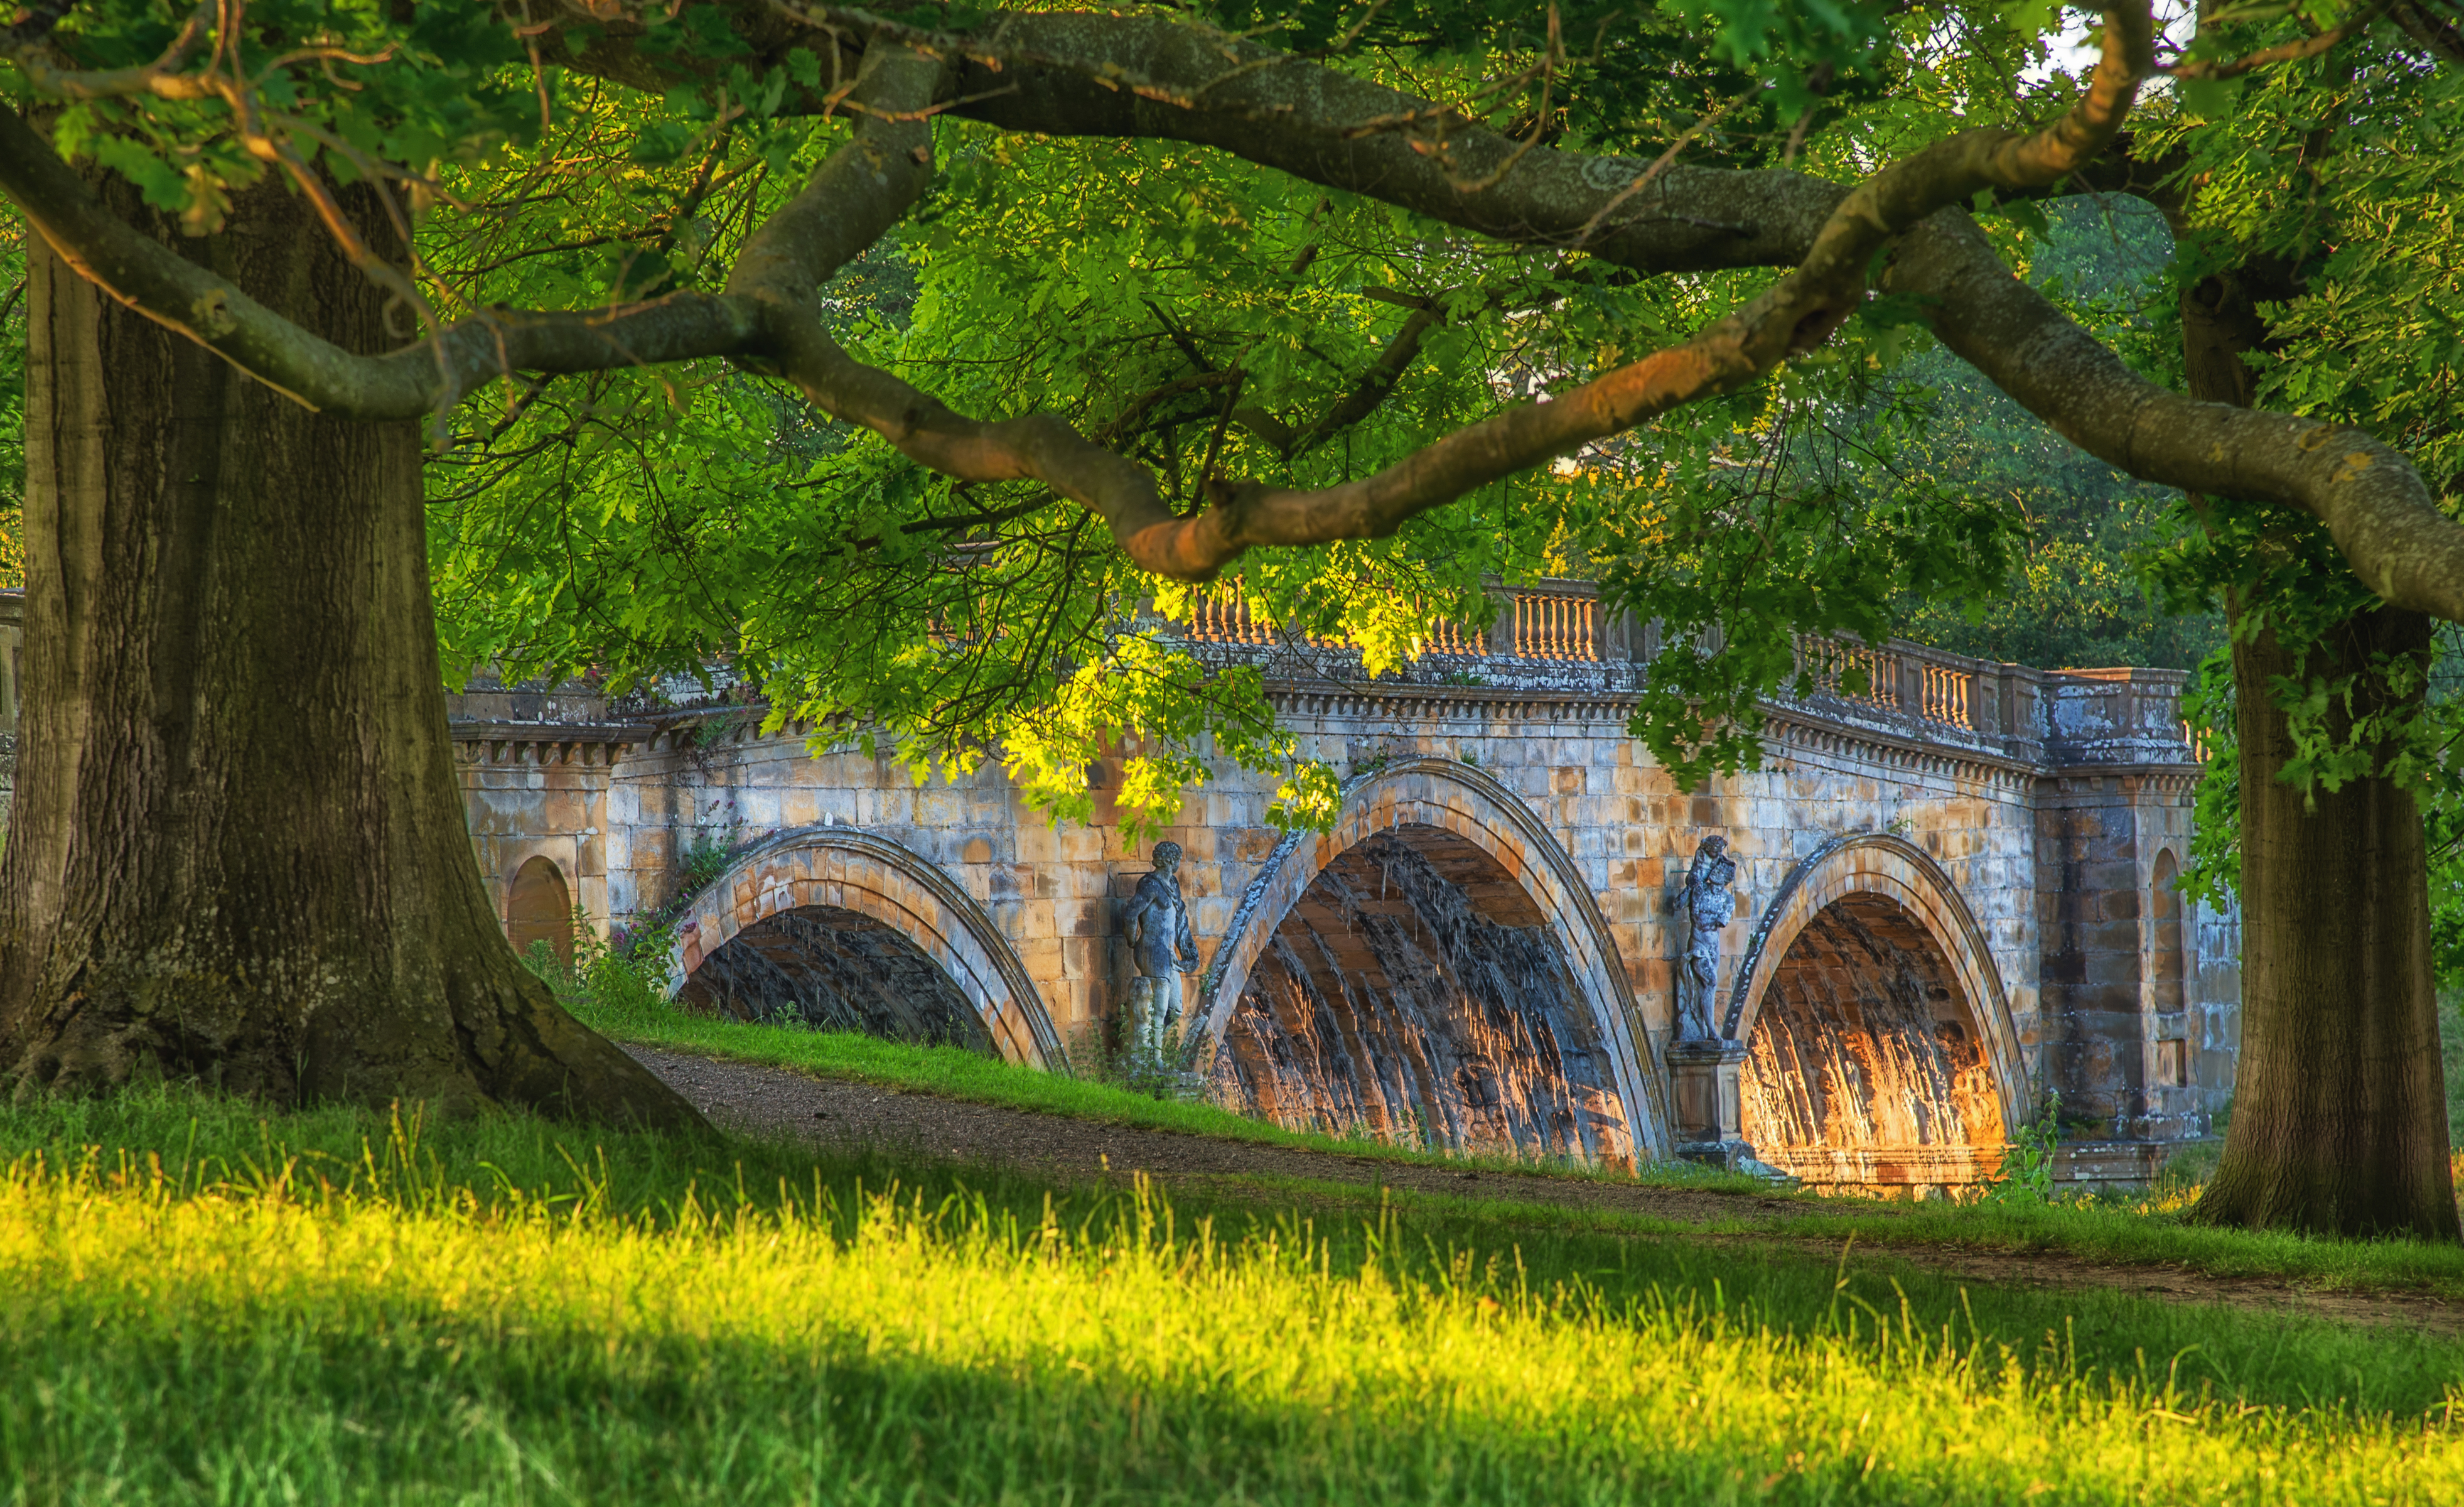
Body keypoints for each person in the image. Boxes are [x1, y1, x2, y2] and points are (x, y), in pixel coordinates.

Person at [1122, 840, 1201, 1059]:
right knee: (1159, 1010)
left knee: (1174, 1009)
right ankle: (1154, 1061)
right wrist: (1132, 941)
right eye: (1176, 859)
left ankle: (1147, 1045)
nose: (1178, 863)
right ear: (1168, 860)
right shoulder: (1151, 885)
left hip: (1168, 955)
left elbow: (1180, 924)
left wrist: (1189, 956)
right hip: (1152, 949)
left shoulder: (1173, 885)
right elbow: (1130, 914)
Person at [1679, 835, 1738, 1040]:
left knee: (1708, 987)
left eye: (1721, 884)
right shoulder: (1700, 892)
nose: (1717, 887)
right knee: (1711, 982)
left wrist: (1714, 918)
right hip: (1699, 944)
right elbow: (1699, 919)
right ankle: (1712, 1032)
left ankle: (1704, 1027)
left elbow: (1721, 921)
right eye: (1715, 882)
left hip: (1714, 947)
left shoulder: (1727, 900)